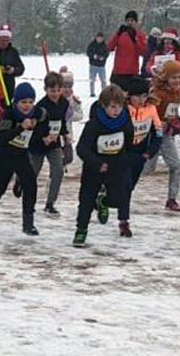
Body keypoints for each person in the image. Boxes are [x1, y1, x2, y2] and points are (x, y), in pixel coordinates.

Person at [72, 85, 134, 247]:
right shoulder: (93, 125)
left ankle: (103, 202)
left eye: (119, 106)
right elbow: (81, 149)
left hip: (116, 168)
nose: (116, 110)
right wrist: (97, 163)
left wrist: (124, 162)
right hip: (94, 168)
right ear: (104, 106)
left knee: (118, 199)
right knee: (86, 200)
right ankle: (81, 230)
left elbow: (127, 144)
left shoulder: (125, 122)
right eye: (112, 107)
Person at [0, 82, 47, 236]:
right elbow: (1, 138)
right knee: (0, 186)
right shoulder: (9, 114)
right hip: (4, 155)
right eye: (23, 102)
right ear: (16, 102)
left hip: (22, 154)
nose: (27, 106)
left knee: (31, 183)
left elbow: (44, 117)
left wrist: (44, 134)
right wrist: (20, 128)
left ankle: (28, 223)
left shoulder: (36, 112)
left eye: (30, 102)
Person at [27, 72, 69, 218]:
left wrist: (65, 134)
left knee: (58, 171)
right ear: (46, 89)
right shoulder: (41, 107)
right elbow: (35, 127)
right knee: (32, 174)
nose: (56, 94)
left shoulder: (64, 103)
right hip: (38, 145)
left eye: (58, 90)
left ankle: (50, 204)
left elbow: (61, 120)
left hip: (54, 144)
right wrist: (42, 137)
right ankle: (28, 201)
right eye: (52, 91)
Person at [145, 61, 180, 212]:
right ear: (166, 78)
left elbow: (173, 111)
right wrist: (159, 122)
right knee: (147, 169)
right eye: (173, 77)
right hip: (153, 134)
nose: (177, 80)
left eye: (179, 77)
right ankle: (116, 188)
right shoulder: (158, 93)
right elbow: (149, 111)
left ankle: (172, 199)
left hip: (167, 135)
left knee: (176, 166)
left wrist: (176, 122)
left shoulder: (178, 92)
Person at [125, 77, 162, 206]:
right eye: (137, 97)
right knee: (122, 183)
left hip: (140, 153)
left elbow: (158, 133)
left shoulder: (151, 109)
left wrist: (149, 152)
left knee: (130, 186)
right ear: (130, 96)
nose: (141, 100)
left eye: (144, 96)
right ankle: (124, 217)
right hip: (123, 153)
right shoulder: (124, 109)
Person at [107, 11, 147, 91]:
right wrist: (117, 34)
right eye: (128, 20)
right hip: (118, 72)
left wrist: (136, 38)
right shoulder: (121, 34)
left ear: (136, 22)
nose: (129, 23)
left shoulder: (140, 35)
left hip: (132, 72)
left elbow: (143, 51)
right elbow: (109, 47)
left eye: (132, 21)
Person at [0, 24, 25, 100]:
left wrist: (13, 70)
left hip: (8, 90)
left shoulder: (13, 52)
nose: (4, 42)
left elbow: (21, 68)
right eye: (2, 40)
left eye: (6, 40)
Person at [61, 71, 84, 167]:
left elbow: (80, 115)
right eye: (64, 87)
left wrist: (71, 115)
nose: (67, 90)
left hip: (68, 135)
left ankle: (61, 167)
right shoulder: (55, 99)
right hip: (57, 135)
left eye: (69, 87)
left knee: (69, 157)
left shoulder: (74, 100)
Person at [86, 32, 110, 97]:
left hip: (101, 66)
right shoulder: (91, 45)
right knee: (92, 80)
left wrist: (103, 57)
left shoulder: (105, 45)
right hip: (93, 65)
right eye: (98, 38)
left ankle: (104, 93)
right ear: (96, 37)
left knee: (103, 80)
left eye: (101, 38)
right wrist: (93, 56)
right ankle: (92, 93)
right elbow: (88, 52)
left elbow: (107, 53)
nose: (99, 39)